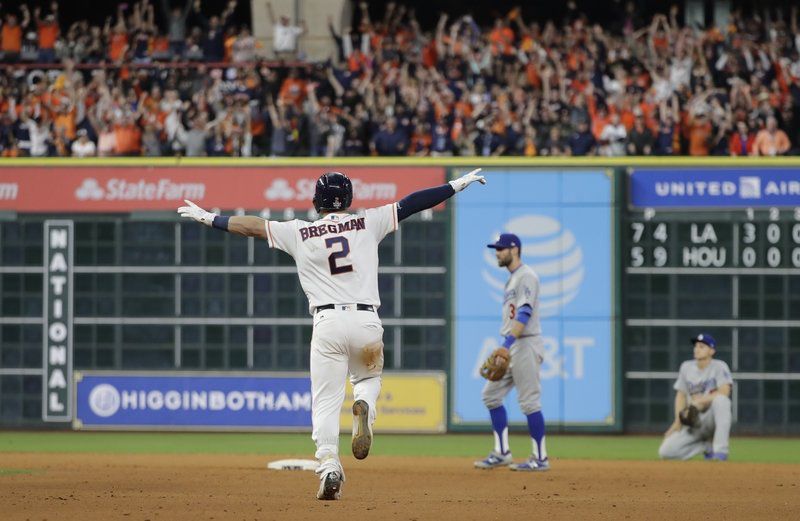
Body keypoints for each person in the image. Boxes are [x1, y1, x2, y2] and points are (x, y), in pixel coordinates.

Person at [178, 169, 486, 499]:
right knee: (368, 380)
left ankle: (329, 467)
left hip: (327, 322)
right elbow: (413, 203)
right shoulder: (369, 222)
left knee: (325, 403)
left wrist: (210, 218)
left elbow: (252, 226)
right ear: (349, 197)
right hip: (366, 320)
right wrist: (454, 185)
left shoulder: (300, 232)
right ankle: (365, 405)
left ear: (317, 201)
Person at [474, 233, 549, 472]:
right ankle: (502, 452)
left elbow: (525, 314)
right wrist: (507, 346)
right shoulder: (514, 279)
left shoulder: (526, 276)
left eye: (501, 248)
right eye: (496, 248)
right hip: (513, 343)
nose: (497, 252)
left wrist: (505, 346)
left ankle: (540, 458)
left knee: (529, 402)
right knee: (490, 395)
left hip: (525, 343)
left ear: (514, 250)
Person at [658, 333, 733, 461]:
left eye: (702, 346)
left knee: (722, 401)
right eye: (696, 346)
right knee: (666, 451)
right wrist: (677, 422)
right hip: (693, 421)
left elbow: (725, 391)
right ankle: (706, 447)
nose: (697, 349)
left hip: (711, 418)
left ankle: (720, 451)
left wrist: (699, 400)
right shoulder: (686, 367)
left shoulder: (719, 366)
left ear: (712, 351)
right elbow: (680, 395)